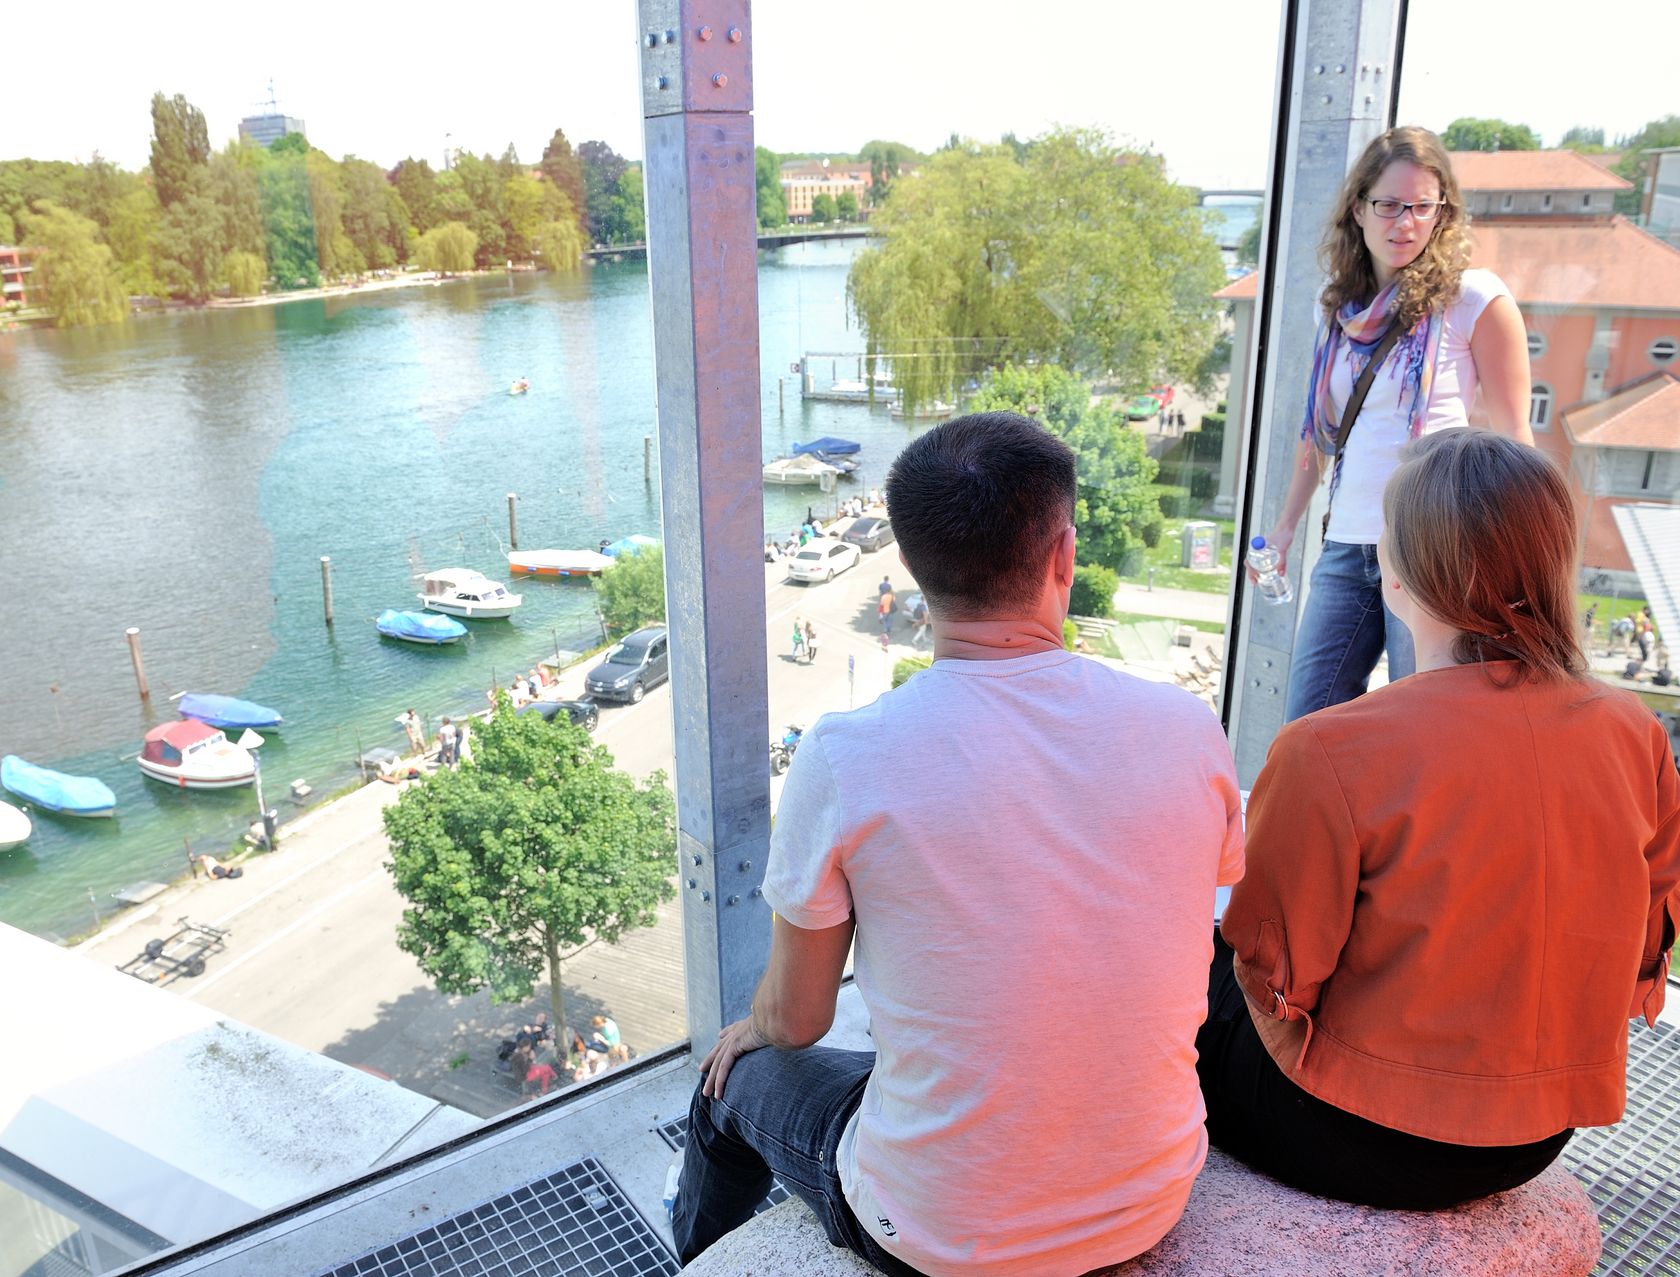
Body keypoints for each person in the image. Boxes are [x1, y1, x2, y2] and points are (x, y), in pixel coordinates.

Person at [670, 412, 1243, 1276]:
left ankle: (696, 1262)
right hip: (1151, 1196)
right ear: (1064, 556)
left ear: (910, 566)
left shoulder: (846, 754)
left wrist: (746, 1026)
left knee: (729, 1081)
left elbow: (796, 1019)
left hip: (936, 1235)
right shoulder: (1189, 729)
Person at [1202, 430, 1680, 1210]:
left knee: (1184, 955)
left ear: (1400, 571)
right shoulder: (1638, 735)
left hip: (1348, 1127)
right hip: (1540, 1133)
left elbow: (1276, 976)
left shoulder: (1331, 746)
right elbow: (1646, 949)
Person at [1254, 126, 1532, 723]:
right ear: (1358, 208)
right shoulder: (1336, 307)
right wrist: (1283, 531)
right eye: (1387, 204)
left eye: (1421, 206)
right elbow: (1319, 433)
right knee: (1309, 724)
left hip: (1432, 546)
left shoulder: (1472, 298)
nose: (1403, 222)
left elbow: (1516, 442)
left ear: (1442, 214)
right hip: (1348, 546)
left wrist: (1513, 561)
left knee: (1428, 729)